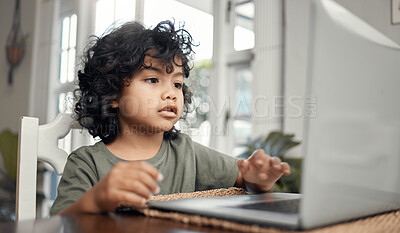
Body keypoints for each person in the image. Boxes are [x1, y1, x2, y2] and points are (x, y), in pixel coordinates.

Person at [50, 20, 291, 216]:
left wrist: (258, 178)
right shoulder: (86, 163)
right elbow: (60, 223)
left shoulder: (186, 152)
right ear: (112, 93)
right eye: (153, 80)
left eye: (177, 83)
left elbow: (244, 179)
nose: (171, 93)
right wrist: (97, 199)